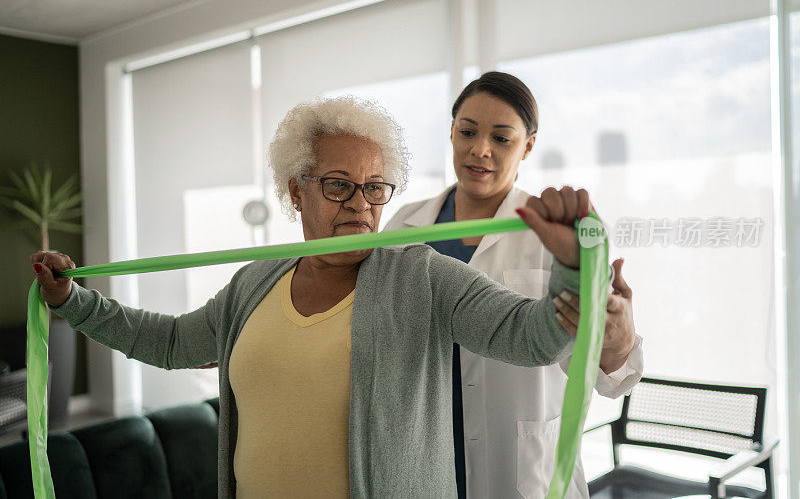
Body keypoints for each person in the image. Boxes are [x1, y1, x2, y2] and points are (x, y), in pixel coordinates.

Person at [32, 96, 595, 499]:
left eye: (375, 188)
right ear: (296, 190)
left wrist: (571, 267)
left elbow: (532, 336)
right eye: (337, 184)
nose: (359, 203)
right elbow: (173, 341)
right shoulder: (257, 281)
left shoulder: (421, 274)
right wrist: (73, 302)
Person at [384, 72, 643, 498]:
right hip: (423, 451)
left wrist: (618, 339)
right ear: (451, 132)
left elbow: (611, 375)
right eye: (467, 131)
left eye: (502, 138)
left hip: (524, 464)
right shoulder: (405, 226)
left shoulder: (561, 233)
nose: (479, 149)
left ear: (528, 145)